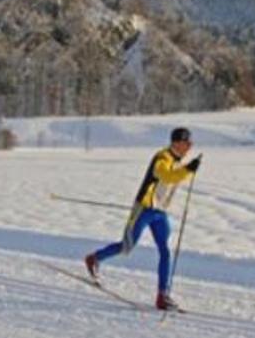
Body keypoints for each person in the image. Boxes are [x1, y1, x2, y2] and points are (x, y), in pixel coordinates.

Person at [84, 127, 201, 310]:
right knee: (126, 247)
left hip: (159, 212)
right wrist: (188, 170)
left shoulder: (177, 162)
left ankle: (162, 296)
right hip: (144, 209)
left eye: (190, 143)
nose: (190, 146)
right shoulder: (162, 158)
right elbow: (167, 177)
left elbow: (172, 180)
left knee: (165, 251)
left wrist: (187, 169)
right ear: (177, 143)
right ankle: (94, 259)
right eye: (187, 143)